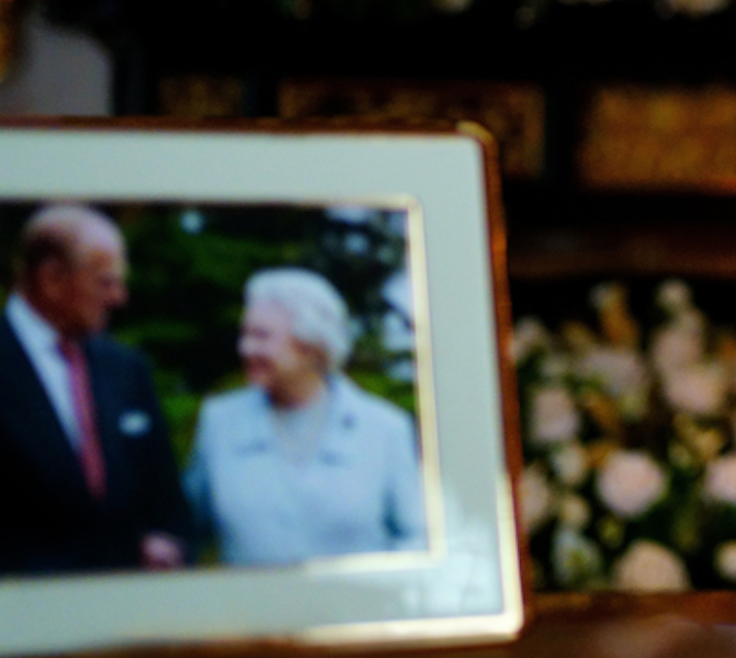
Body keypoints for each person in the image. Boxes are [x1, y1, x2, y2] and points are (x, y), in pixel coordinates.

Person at [184, 268, 427, 565]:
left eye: (261, 336)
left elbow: (416, 538)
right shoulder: (220, 422)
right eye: (245, 334)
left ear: (311, 346)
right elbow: (185, 533)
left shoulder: (384, 429)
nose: (245, 348)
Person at [0, 204, 191, 574]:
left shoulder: (126, 368)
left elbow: (166, 499)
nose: (119, 298)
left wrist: (166, 540)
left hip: (126, 599)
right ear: (52, 279)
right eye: (105, 282)